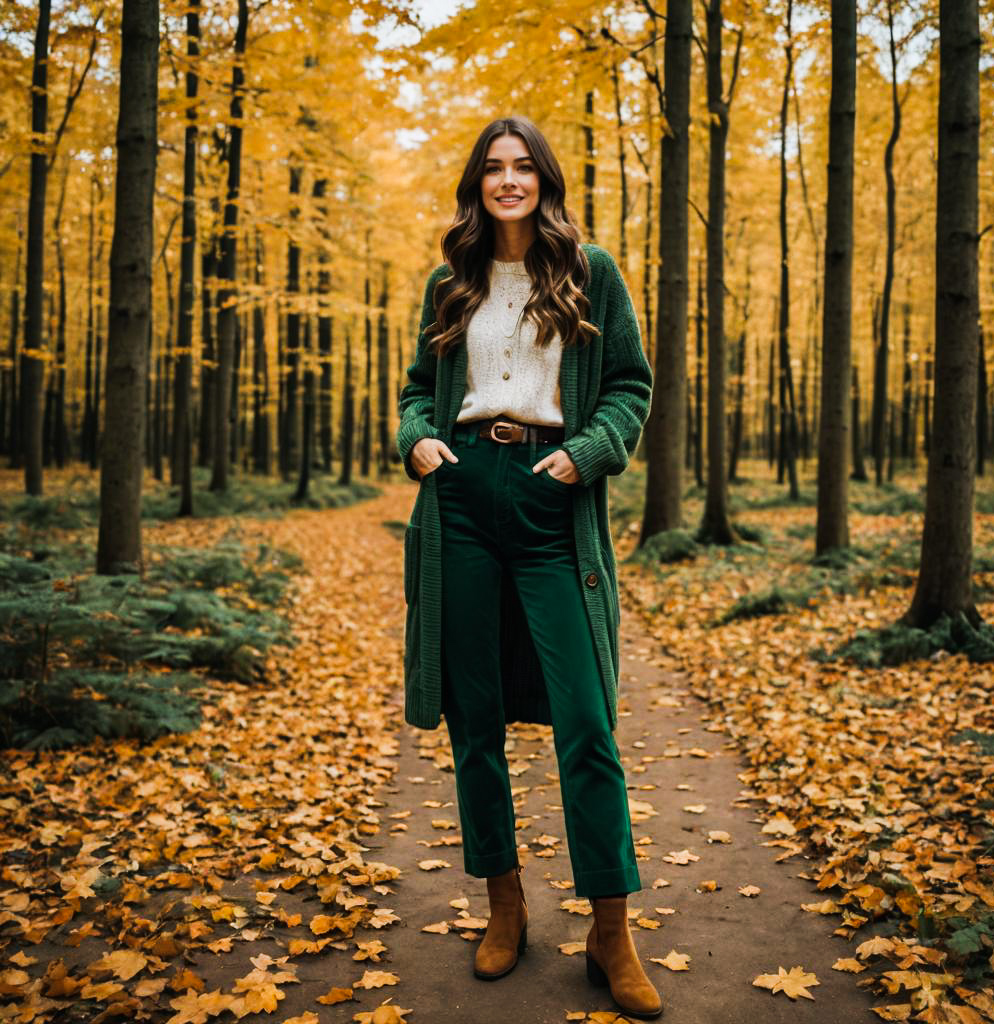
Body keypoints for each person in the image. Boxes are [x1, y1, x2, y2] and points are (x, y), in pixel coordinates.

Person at [397, 115, 661, 1019]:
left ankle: (611, 931)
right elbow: (412, 392)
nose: (508, 182)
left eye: (523, 168)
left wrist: (586, 454)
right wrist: (417, 441)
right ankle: (502, 907)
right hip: (465, 495)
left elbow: (631, 384)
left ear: (545, 180)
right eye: (493, 170)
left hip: (554, 496)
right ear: (476, 185)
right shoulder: (451, 283)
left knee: (587, 719)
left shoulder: (593, 274)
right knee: (476, 721)